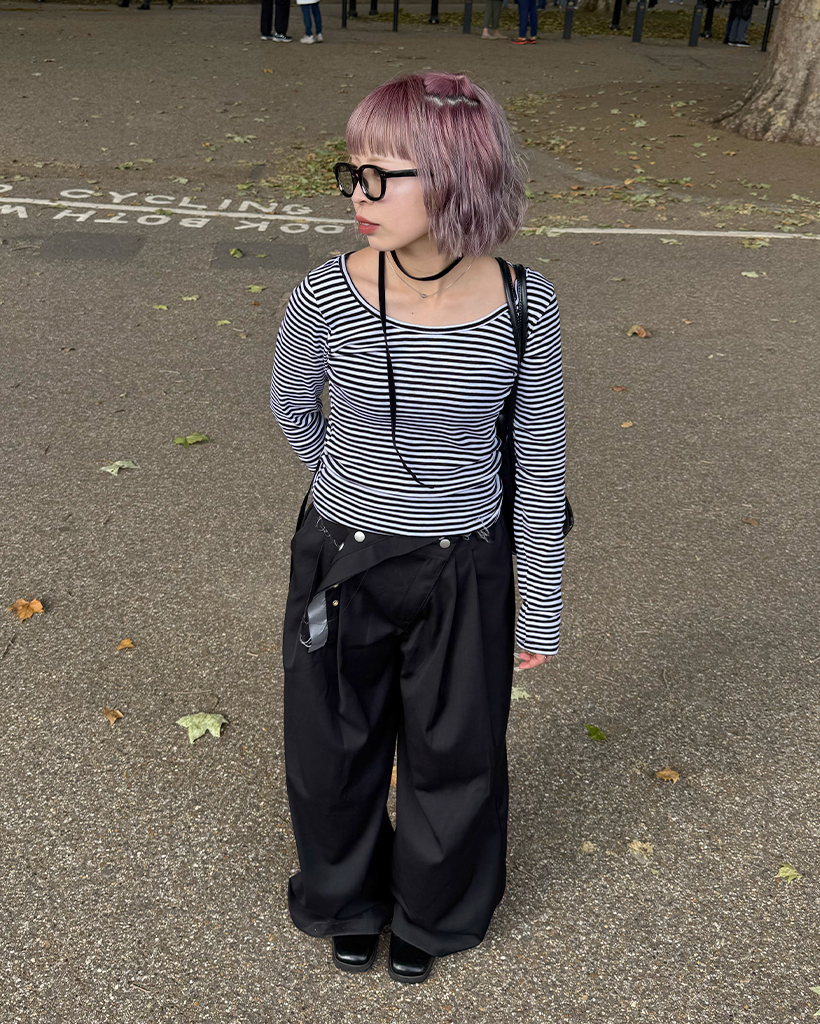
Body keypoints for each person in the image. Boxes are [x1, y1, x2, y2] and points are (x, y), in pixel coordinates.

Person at [270, 71, 566, 984]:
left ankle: (432, 915)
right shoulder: (325, 295)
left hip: (464, 567)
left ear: (455, 177)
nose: (357, 195)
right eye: (350, 171)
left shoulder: (526, 305)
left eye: (380, 175)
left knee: (455, 757)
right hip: (343, 559)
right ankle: (347, 901)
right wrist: (352, 485)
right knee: (332, 751)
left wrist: (539, 606)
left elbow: (539, 459)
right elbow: (292, 407)